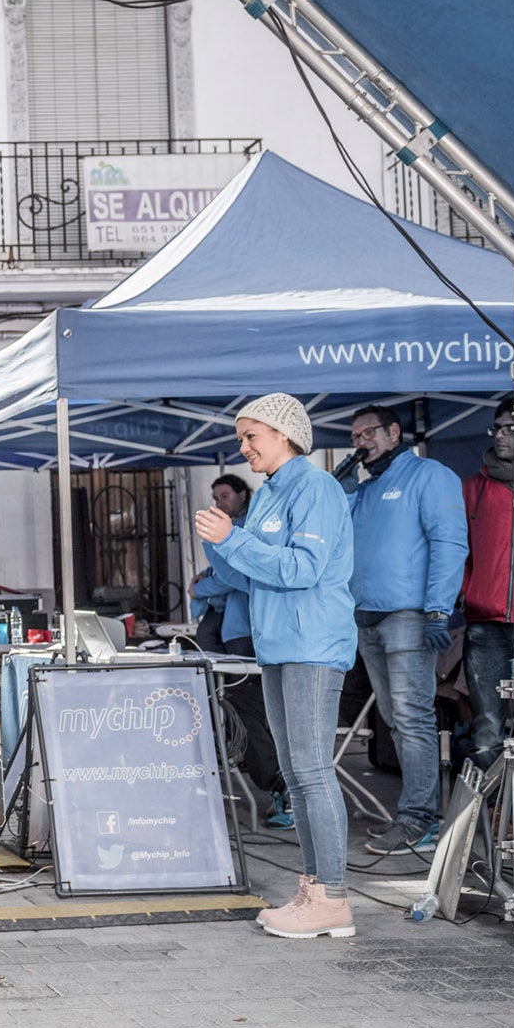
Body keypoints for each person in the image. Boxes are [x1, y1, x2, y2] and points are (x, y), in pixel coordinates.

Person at [194, 393, 358, 941]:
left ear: (284, 435)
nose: (243, 448)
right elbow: (251, 576)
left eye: (250, 437)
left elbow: (304, 569)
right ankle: (315, 889)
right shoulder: (268, 496)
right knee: (296, 773)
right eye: (242, 438)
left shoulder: (317, 488)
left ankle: (333, 897)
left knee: (312, 772)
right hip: (279, 646)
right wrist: (221, 546)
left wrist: (233, 539)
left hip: (312, 644)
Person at [345, 403, 468, 856]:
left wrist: (437, 609)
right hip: (367, 618)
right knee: (396, 719)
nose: (361, 442)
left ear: (394, 432)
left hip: (409, 617)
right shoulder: (365, 490)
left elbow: (450, 541)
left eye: (369, 433)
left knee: (413, 718)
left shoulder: (429, 477)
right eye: (355, 436)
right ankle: (416, 809)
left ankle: (419, 818)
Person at [190, 474, 289, 826]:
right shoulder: (219, 532)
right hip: (237, 633)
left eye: (226, 495)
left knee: (252, 713)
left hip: (261, 632)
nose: (220, 502)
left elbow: (235, 577)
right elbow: (227, 577)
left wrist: (203, 588)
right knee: (236, 709)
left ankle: (282, 788)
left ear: (245, 495)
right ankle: (277, 786)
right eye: (215, 496)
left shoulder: (254, 528)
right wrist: (214, 584)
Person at [459, 396, 514, 776]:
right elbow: (457, 551)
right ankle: (495, 818)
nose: (502, 436)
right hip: (485, 621)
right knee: (488, 728)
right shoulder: (472, 488)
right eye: (498, 427)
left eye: (511, 427)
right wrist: (467, 593)